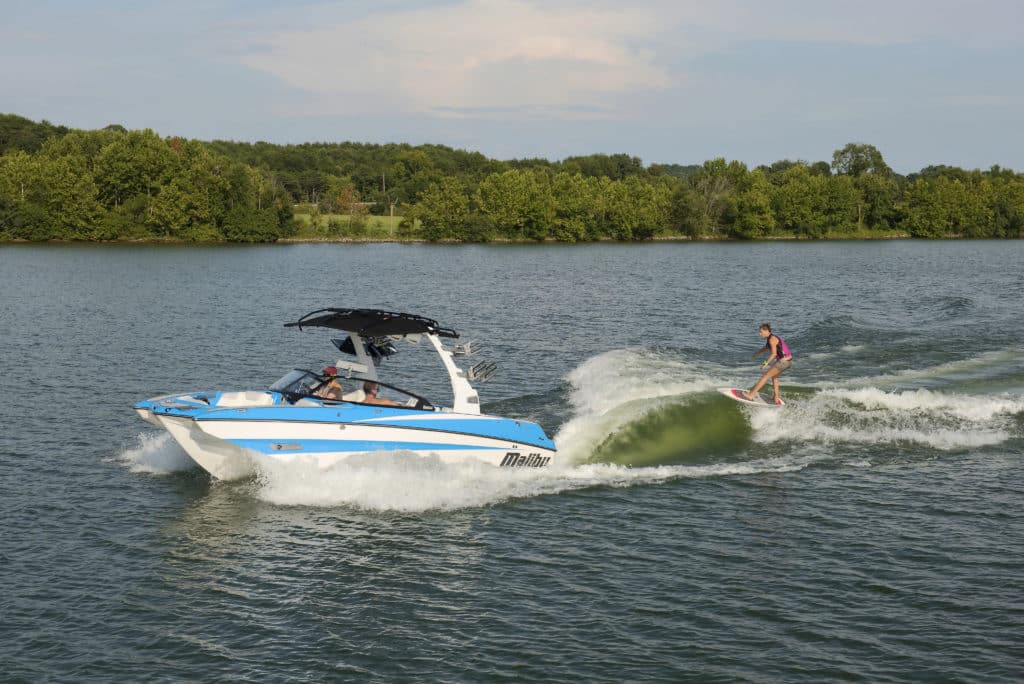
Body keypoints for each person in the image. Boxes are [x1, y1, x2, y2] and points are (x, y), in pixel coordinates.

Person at [743, 322, 792, 404]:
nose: (760, 334)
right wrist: (757, 353)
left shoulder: (772, 339)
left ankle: (750, 395)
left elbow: (774, 354)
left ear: (766, 331)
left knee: (765, 377)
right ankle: (776, 397)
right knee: (774, 377)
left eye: (761, 332)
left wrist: (764, 364)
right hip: (788, 361)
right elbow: (766, 347)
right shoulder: (771, 338)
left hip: (783, 361)